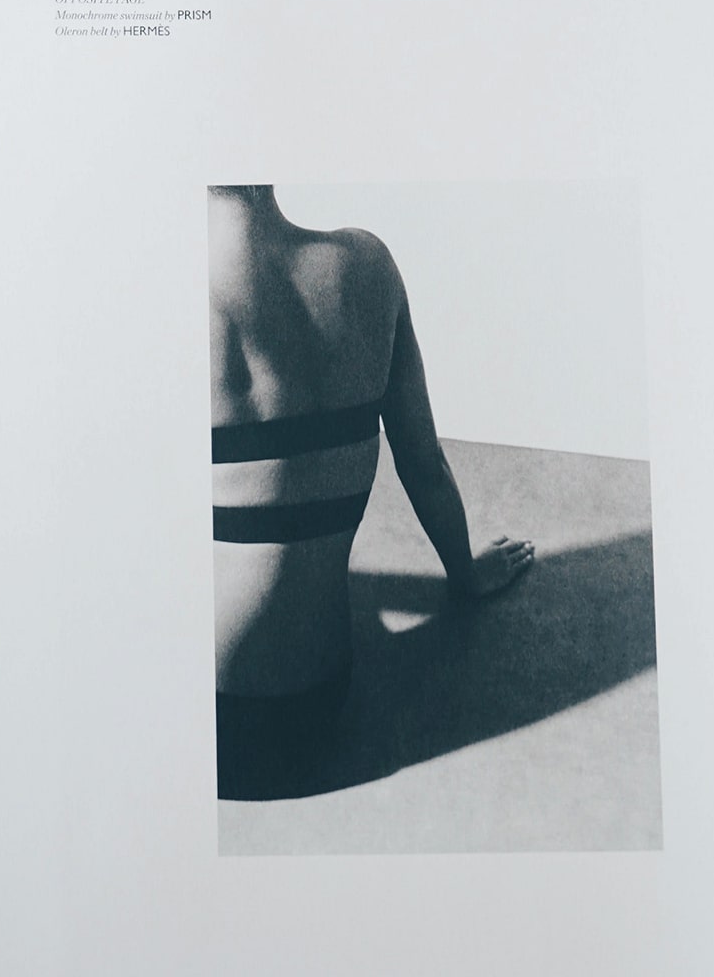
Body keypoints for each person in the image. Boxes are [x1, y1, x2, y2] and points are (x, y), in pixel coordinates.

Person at [209, 184, 534, 785]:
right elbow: (424, 464)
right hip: (313, 707)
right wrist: (466, 573)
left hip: (196, 718)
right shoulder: (367, 267)